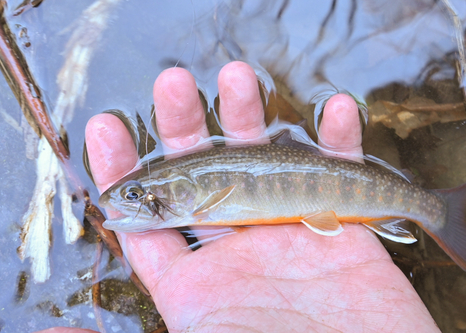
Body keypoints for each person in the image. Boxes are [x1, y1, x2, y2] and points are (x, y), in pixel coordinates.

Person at [38, 62, 439, 333]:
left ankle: (435, 212)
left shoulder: (202, 200)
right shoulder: (194, 194)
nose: (133, 202)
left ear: (179, 190)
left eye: (136, 193)